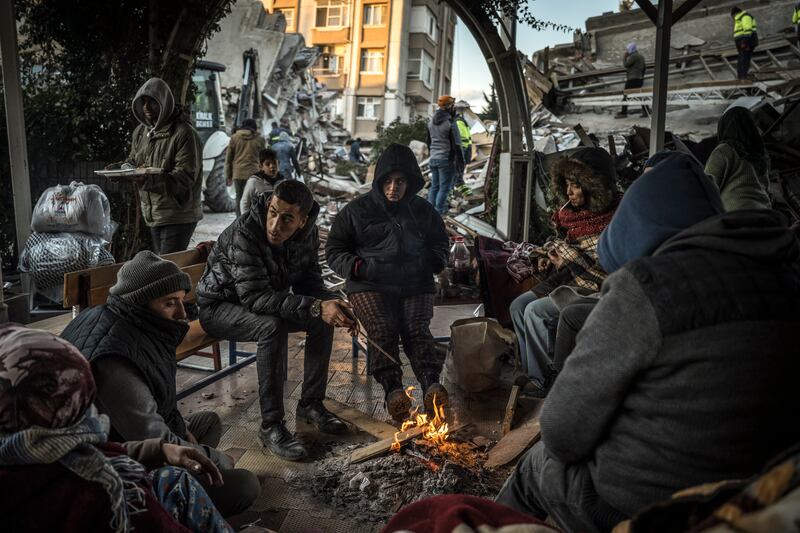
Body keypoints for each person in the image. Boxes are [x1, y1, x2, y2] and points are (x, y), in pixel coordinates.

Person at [496, 152, 800, 532]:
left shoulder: (646, 288)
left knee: (537, 464)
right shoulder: (785, 274)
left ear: (639, 230)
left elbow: (561, 431)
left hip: (655, 505)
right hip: (763, 490)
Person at [60, 251, 261, 517]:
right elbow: (151, 437)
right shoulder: (114, 360)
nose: (181, 313)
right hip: (118, 462)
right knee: (245, 485)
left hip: (129, 432)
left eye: (181, 300)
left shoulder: (129, 323)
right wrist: (217, 460)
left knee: (208, 422)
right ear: (140, 302)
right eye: (170, 303)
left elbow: (157, 403)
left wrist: (186, 432)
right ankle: (176, 510)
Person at [0, 324, 234, 533]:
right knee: (231, 486)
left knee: (175, 476)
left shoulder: (25, 451)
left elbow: (89, 454)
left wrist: (159, 450)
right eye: (83, 405)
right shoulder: (103, 494)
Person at [197, 180, 355, 461]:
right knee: (270, 327)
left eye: (286, 219)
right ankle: (271, 426)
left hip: (262, 302)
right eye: (272, 213)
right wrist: (317, 306)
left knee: (321, 319)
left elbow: (310, 282)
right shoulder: (246, 231)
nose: (274, 225)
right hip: (219, 306)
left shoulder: (308, 234)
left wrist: (333, 305)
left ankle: (311, 404)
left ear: (302, 220)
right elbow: (255, 299)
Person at [325, 143, 450, 422]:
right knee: (383, 329)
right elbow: (334, 250)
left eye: (401, 181)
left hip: (414, 283)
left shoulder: (423, 210)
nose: (394, 187)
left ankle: (431, 385)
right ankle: (394, 391)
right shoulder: (356, 211)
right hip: (370, 283)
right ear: (379, 181)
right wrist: (359, 266)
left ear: (411, 182)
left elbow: (441, 243)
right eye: (388, 181)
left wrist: (431, 262)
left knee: (416, 329)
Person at [509, 147, 618, 395]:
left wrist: (567, 261)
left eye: (576, 186)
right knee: (517, 307)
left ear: (595, 186)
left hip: (598, 286)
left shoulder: (616, 215)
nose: (569, 192)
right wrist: (556, 258)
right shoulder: (572, 215)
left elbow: (607, 264)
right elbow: (574, 250)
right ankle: (534, 372)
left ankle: (545, 382)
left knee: (536, 312)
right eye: (567, 185)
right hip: (571, 275)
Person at [120, 77, 203, 254]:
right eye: (143, 102)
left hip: (178, 215)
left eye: (153, 102)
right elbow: (134, 160)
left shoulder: (184, 134)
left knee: (167, 269)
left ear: (164, 103)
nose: (147, 108)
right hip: (154, 214)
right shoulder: (141, 133)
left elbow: (185, 178)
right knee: (166, 268)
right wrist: (124, 168)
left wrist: (146, 181)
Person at [704, 106, 771, 211]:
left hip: (737, 214)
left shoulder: (724, 150)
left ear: (725, 126)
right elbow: (766, 187)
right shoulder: (760, 153)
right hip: (765, 212)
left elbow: (707, 185)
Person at [426, 95, 465, 215]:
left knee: (434, 187)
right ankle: (439, 213)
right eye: (453, 105)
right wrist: (461, 162)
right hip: (446, 160)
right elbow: (457, 145)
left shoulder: (431, 122)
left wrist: (432, 153)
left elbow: (428, 141)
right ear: (449, 106)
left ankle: (430, 212)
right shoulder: (450, 123)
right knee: (444, 188)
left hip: (433, 158)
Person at [226, 118, 266, 217]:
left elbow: (229, 159)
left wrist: (229, 175)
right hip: (254, 174)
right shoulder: (260, 139)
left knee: (239, 198)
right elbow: (264, 158)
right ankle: (251, 222)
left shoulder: (234, 138)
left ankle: (239, 222)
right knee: (253, 199)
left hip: (238, 174)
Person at [240, 148, 283, 215]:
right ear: (261, 166)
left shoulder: (283, 183)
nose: (272, 166)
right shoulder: (254, 182)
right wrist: (246, 219)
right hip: (258, 220)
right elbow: (245, 203)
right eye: (268, 164)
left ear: (279, 164)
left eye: (274, 163)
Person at [615, 42, 647, 118]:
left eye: (628, 49)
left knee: (625, 95)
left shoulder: (634, 56)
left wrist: (624, 57)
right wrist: (641, 77)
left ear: (631, 49)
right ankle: (646, 111)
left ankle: (623, 113)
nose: (627, 51)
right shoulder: (641, 57)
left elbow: (626, 65)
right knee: (640, 95)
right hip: (639, 79)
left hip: (632, 79)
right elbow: (644, 68)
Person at [731, 7, 758, 80]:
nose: (733, 18)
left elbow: (748, 30)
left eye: (733, 16)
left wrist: (744, 42)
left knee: (744, 60)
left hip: (746, 43)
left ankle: (743, 77)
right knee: (741, 60)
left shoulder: (745, 17)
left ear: (735, 14)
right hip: (742, 43)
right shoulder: (740, 19)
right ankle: (741, 77)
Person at [455, 105, 473, 186]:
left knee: (462, 166)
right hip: (462, 147)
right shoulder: (458, 121)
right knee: (459, 166)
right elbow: (461, 136)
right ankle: (458, 182)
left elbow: (467, 136)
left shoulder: (463, 122)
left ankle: (459, 181)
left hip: (465, 146)